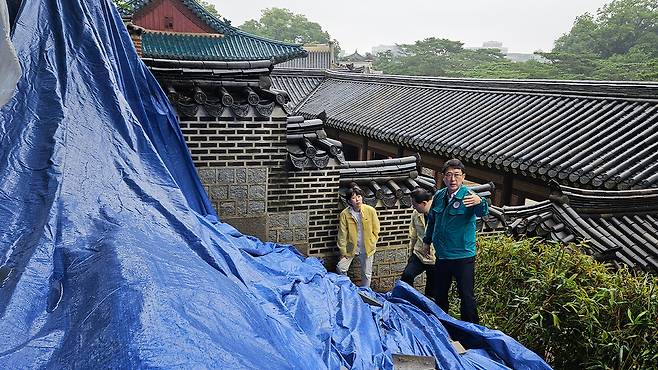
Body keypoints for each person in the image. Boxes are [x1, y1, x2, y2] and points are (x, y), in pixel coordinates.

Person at [422, 159, 488, 324]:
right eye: (449, 175)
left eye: (457, 175)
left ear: (463, 177)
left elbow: (483, 210)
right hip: (443, 255)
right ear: (443, 177)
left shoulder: (469, 196)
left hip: (462, 256)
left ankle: (472, 332)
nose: (453, 179)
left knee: (466, 296)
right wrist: (427, 241)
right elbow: (432, 220)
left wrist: (481, 202)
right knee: (440, 294)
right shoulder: (439, 196)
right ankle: (442, 327)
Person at [337, 186, 380, 288]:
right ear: (349, 201)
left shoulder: (370, 210)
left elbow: (376, 229)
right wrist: (342, 251)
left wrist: (372, 241)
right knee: (341, 267)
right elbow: (342, 234)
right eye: (354, 198)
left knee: (366, 273)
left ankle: (366, 292)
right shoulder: (345, 214)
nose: (357, 200)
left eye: (359, 196)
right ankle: (346, 288)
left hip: (367, 246)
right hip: (351, 246)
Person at [400, 188, 437, 298]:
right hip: (419, 253)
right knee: (407, 275)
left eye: (415, 204)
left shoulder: (438, 214)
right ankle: (408, 299)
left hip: (435, 258)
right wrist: (410, 253)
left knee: (432, 290)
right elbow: (413, 235)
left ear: (424, 203)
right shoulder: (416, 214)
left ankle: (428, 309)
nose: (413, 207)